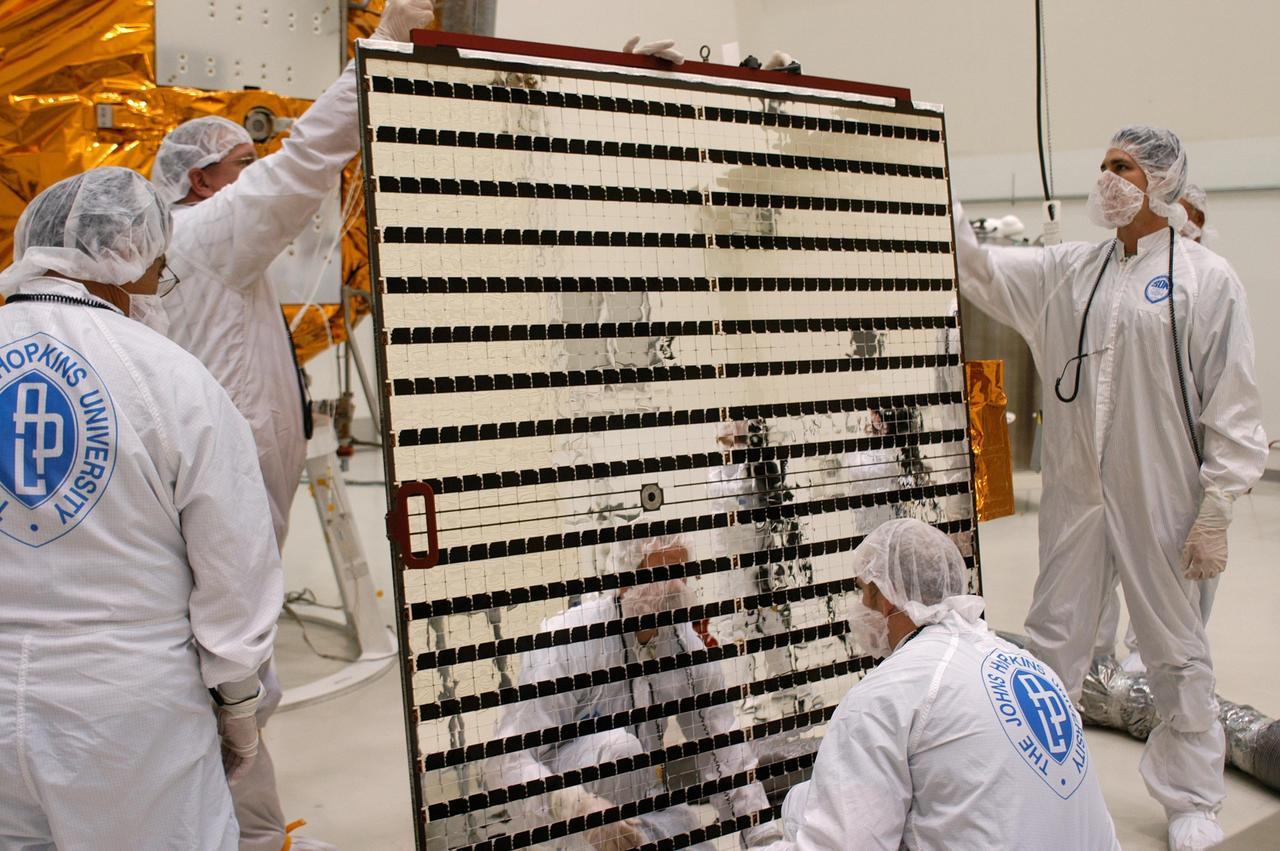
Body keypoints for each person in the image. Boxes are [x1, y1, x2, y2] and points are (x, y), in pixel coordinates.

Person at [148, 3, 433, 847]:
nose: (260, 175)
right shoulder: (209, 235)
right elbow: (308, 156)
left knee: (227, 686)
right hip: (221, 504)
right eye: (244, 163)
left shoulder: (199, 253)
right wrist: (382, 47)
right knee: (230, 684)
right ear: (203, 180)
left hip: (219, 498)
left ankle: (248, 829)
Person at [954, 127, 1267, 850]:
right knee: (1052, 644)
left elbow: (1233, 402)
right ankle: (1044, 784)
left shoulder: (1205, 279)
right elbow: (978, 267)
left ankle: (1192, 802)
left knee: (1176, 652)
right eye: (1103, 166)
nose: (1106, 178)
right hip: (1076, 499)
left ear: (1162, 181)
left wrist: (1217, 507)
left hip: (1163, 502)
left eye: (1122, 166)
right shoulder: (1070, 270)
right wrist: (933, 179)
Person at [0, 167, 282, 849]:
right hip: (125, 713)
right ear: (125, 260)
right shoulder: (171, 377)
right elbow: (234, 567)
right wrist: (239, 707)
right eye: (159, 270)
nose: (157, 289)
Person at [777, 519, 1118, 850]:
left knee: (801, 809)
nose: (861, 607)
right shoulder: (1025, 663)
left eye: (864, 592)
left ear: (886, 598)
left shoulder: (888, 692)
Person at [491, 535, 782, 850]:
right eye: (661, 574)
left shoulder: (684, 649)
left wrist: (763, 838)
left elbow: (723, 750)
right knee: (620, 750)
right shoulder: (568, 643)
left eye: (681, 573)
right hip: (564, 823)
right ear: (624, 581)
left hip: (645, 803)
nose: (675, 587)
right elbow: (510, 761)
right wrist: (576, 808)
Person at [1092, 184, 1221, 674]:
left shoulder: (1208, 281)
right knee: (1106, 562)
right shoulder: (1121, 277)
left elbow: (1226, 390)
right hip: (1125, 454)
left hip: (1185, 463)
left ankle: (1155, 662)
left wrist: (1224, 485)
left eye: (1190, 218)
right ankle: (1103, 660)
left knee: (1178, 578)